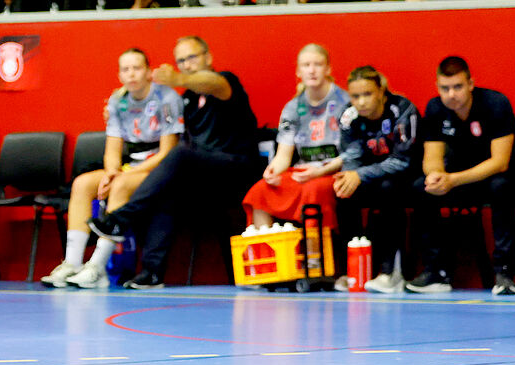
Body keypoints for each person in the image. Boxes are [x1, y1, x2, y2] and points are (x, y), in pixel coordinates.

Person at [85, 34, 259, 289]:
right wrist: (121, 102)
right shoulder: (187, 101)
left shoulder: (225, 83)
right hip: (205, 176)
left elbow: (210, 83)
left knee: (179, 153)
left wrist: (178, 79)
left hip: (236, 169)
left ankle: (121, 218)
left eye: (192, 57)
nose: (187, 64)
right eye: (181, 61)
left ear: (208, 57)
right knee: (167, 191)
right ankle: (151, 274)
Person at [47, 48, 183, 288]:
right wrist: (111, 172)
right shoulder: (117, 101)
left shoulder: (167, 99)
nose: (131, 74)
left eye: (137, 68)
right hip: (128, 166)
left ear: (149, 72)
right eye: (125, 69)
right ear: (120, 75)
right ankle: (72, 263)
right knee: (82, 183)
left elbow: (167, 152)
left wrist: (122, 175)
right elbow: (112, 148)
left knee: (120, 185)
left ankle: (97, 266)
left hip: (160, 170)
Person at [406, 56, 515, 296]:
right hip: (469, 174)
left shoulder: (496, 103)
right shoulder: (435, 108)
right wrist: (436, 177)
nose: (451, 94)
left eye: (457, 87)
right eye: (445, 88)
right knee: (420, 187)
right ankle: (436, 272)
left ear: (470, 84)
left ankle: (504, 272)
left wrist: (453, 180)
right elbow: (432, 157)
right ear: (437, 88)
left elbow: (500, 162)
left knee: (501, 186)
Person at [242, 44, 349, 231]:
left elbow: (353, 152)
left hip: (334, 170)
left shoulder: (344, 101)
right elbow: (284, 154)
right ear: (299, 71)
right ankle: (267, 255)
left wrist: (322, 172)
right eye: (306, 65)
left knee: (313, 191)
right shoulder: (292, 107)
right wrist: (272, 171)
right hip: (304, 171)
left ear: (328, 69)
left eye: (318, 64)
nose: (312, 70)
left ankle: (315, 257)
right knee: (260, 191)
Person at [331, 66, 419, 292]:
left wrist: (358, 175)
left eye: (367, 94)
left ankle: (390, 271)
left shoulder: (402, 110)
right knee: (342, 192)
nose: (361, 102)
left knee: (388, 189)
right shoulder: (349, 115)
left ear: (381, 91)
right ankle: (352, 269)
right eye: (355, 96)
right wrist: (349, 176)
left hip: (408, 175)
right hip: (370, 175)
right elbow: (351, 155)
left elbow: (402, 161)